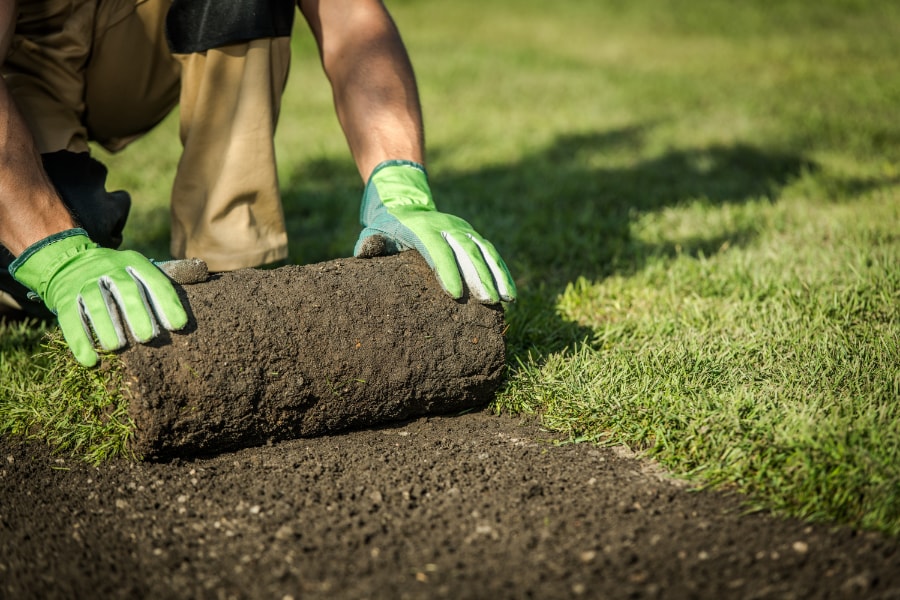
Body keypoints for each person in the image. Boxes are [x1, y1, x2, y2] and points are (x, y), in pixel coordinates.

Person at [0, 0, 516, 367]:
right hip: (20, 60)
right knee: (56, 237)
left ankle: (230, 278)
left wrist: (400, 183)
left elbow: (352, 18)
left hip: (128, 37)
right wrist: (55, 251)